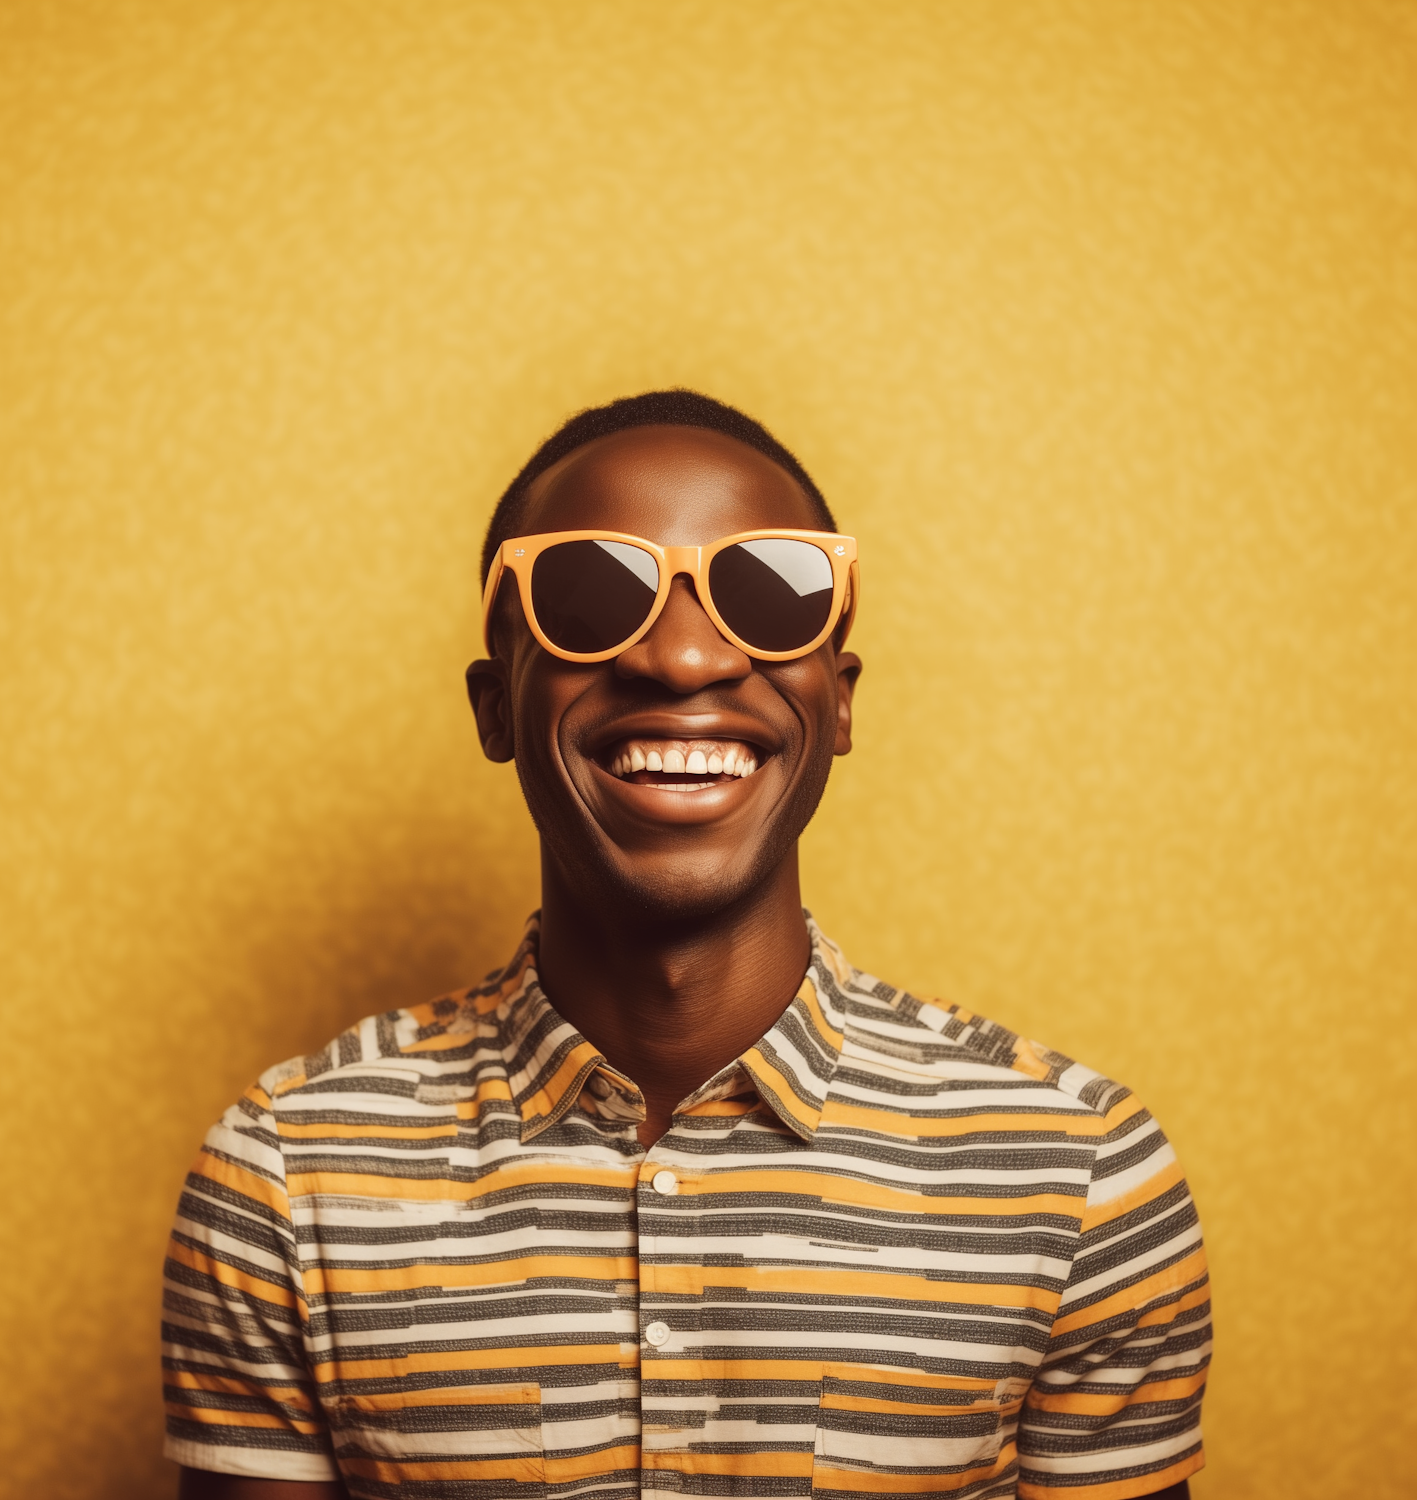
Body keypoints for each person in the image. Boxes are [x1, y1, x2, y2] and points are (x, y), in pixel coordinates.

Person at [163, 390, 1210, 1500]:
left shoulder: (1081, 1177)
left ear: (839, 702)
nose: (683, 660)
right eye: (588, 594)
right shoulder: (284, 1183)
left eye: (769, 592)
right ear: (494, 709)